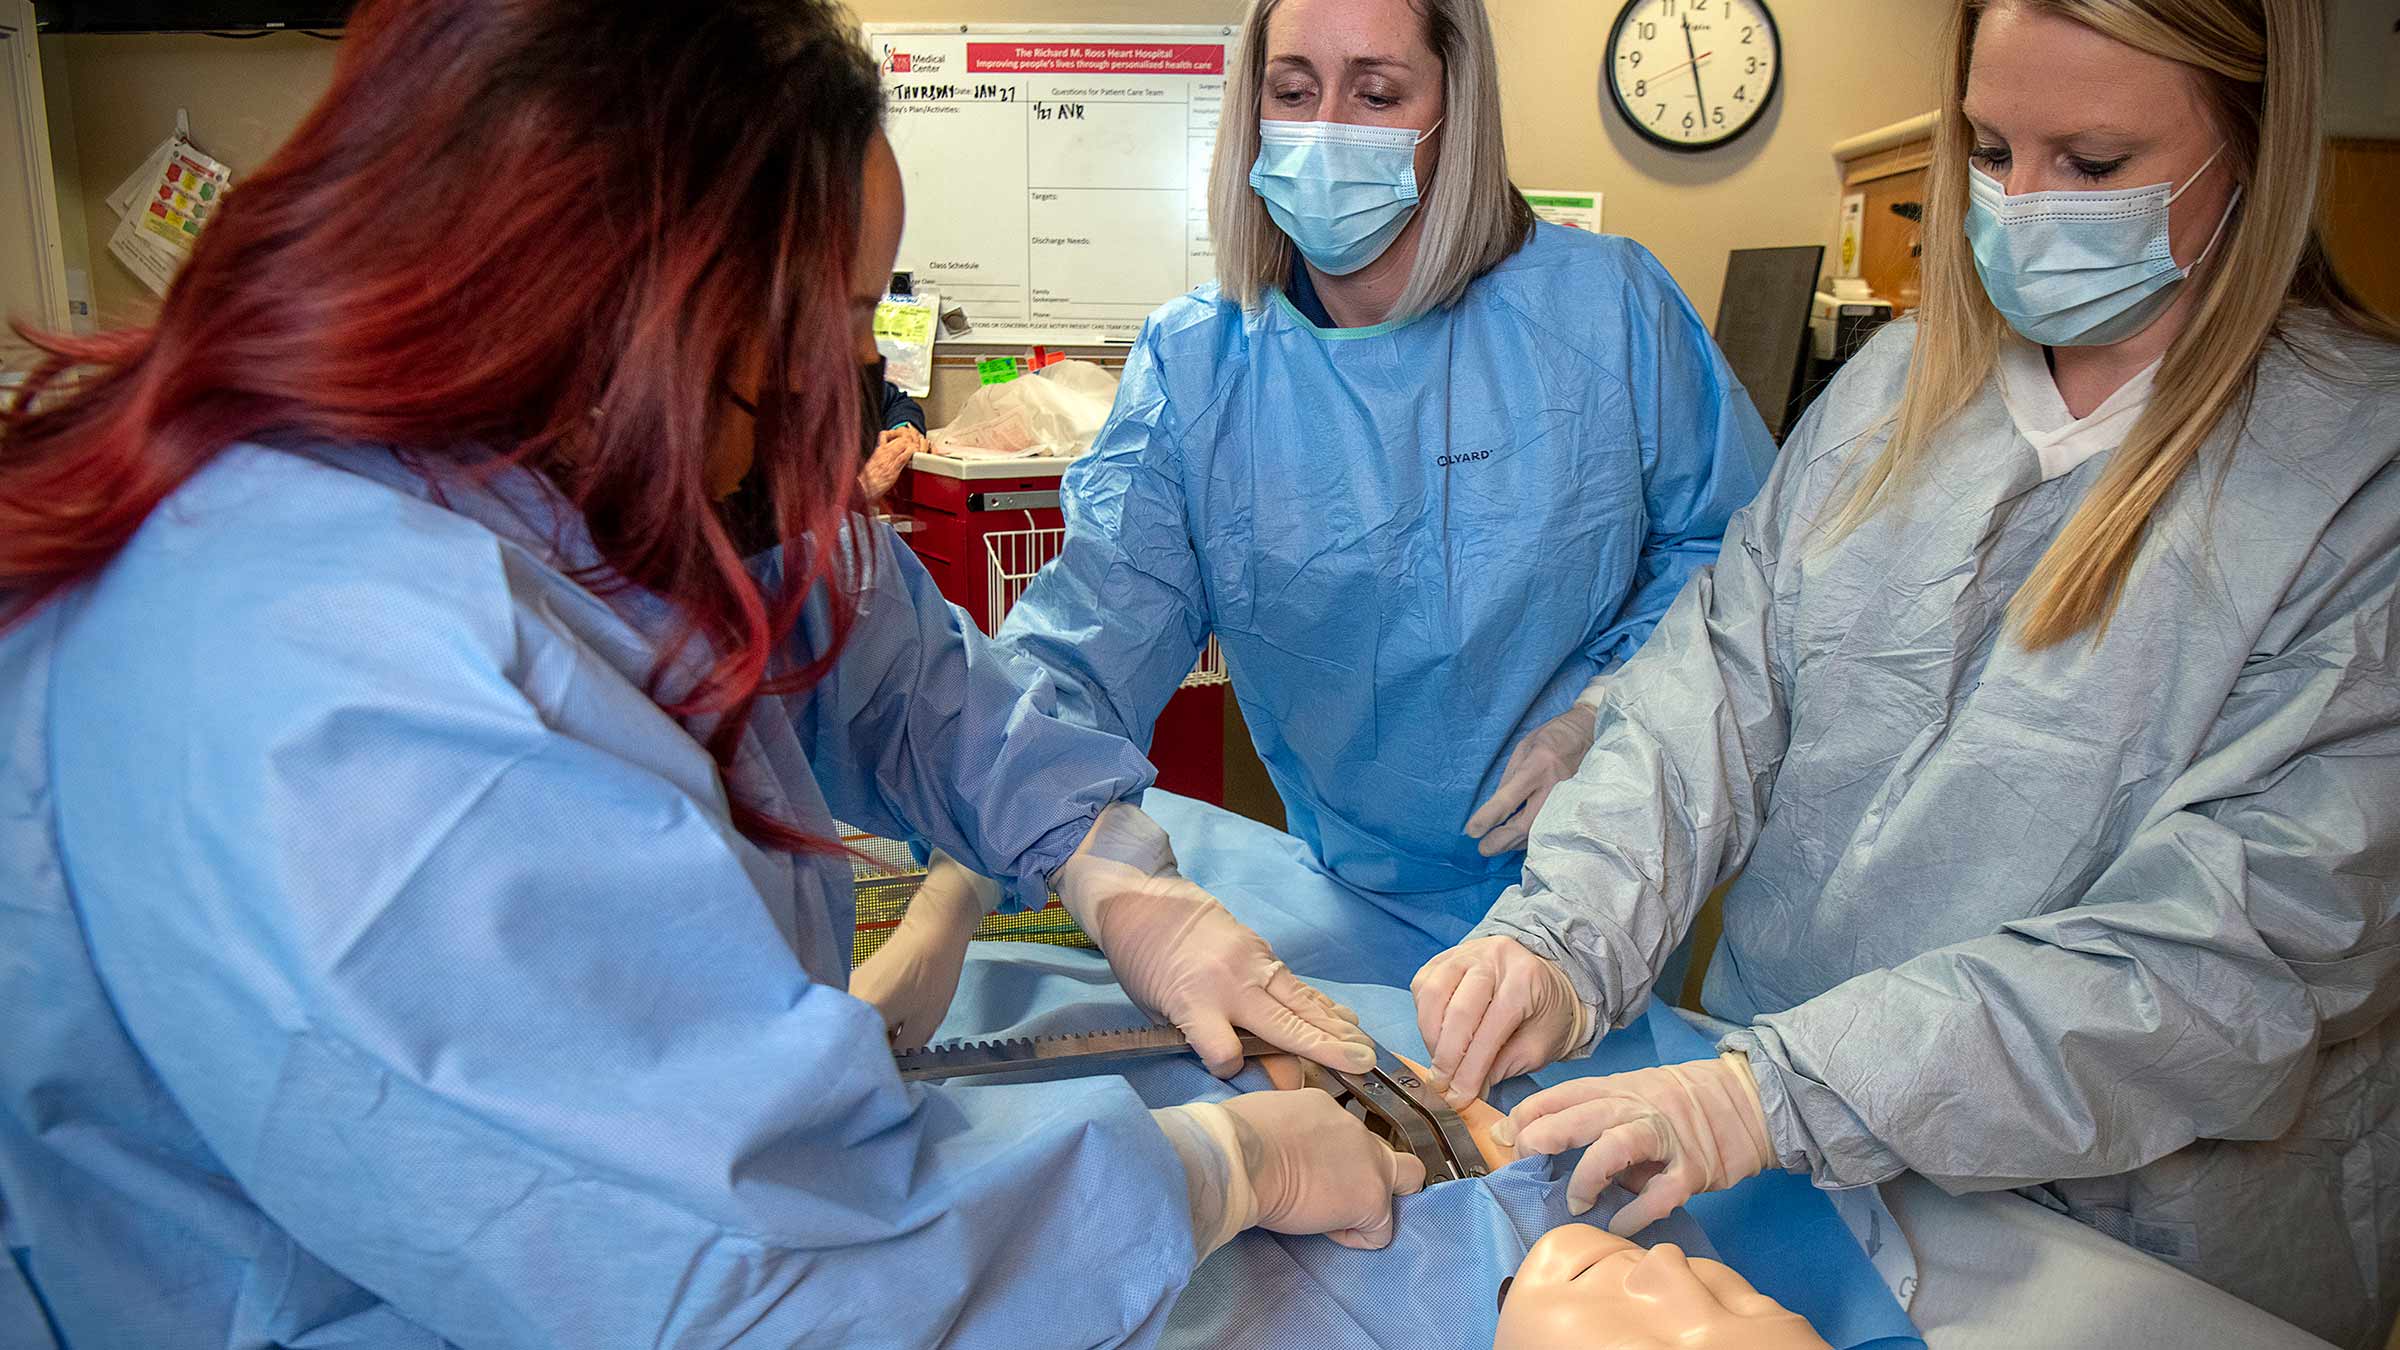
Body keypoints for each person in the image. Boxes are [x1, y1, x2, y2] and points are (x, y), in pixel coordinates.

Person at [0, 4, 1430, 1346]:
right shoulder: (354, 709)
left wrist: (1105, 856)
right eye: (836, 312)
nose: (853, 372)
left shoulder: (562, 467)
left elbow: (871, 644)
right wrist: (1216, 1170)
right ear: (647, 291)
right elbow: (783, 1277)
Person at [1410, 0, 2400, 1344]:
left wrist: (1772, 1090)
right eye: (1989, 148)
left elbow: (2230, 953)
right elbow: (1716, 688)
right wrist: (1565, 932)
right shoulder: (1894, 392)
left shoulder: (2357, 486)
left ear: (2255, 143)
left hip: (2123, 1238)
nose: (2024, 204)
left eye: (2094, 165)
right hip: (1790, 1178)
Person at [899, 0, 1774, 956]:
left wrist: (1606, 717)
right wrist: (951, 900)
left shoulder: (1607, 310)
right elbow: (1086, 651)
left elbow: (1734, 557)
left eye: (1377, 93)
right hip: (1352, 889)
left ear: (1457, 109)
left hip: (1599, 881)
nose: (1325, 133)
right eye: (1293, 91)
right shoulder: (1201, 364)